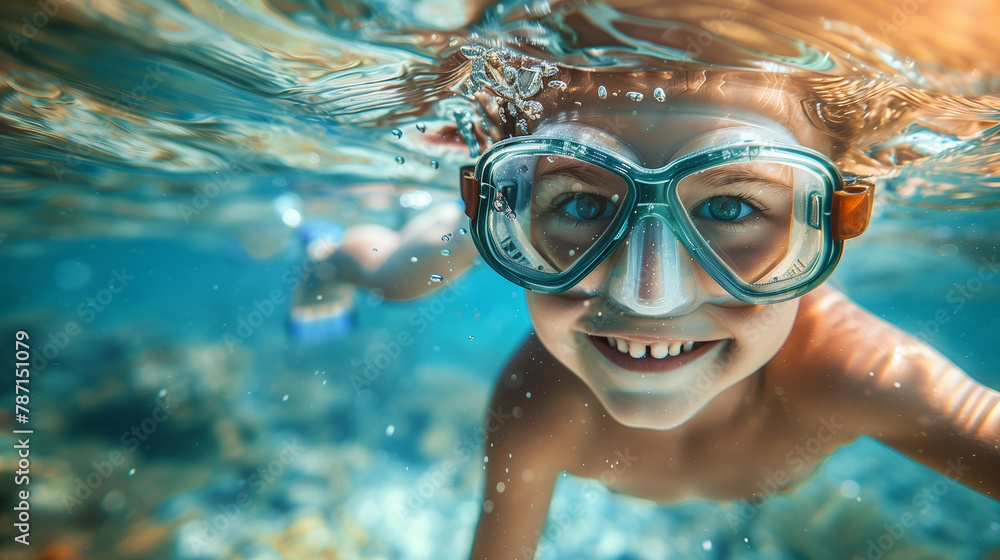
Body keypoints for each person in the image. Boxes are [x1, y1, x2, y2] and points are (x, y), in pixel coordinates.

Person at [457, 59, 1000, 557]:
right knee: (400, 276)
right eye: (583, 203)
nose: (648, 296)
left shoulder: (849, 371)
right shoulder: (538, 406)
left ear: (828, 226)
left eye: (728, 207)